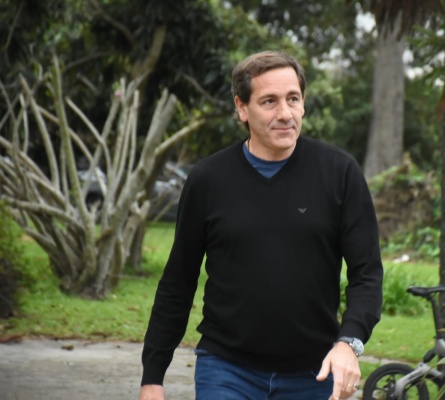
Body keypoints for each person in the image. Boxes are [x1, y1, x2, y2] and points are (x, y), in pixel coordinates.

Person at [138, 50, 383, 400]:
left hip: (315, 374)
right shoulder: (208, 180)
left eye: (293, 99)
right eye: (269, 101)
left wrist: (348, 343)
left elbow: (367, 274)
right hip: (227, 370)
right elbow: (178, 282)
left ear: (303, 103)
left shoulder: (339, 173)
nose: (285, 113)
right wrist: (152, 378)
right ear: (242, 107)